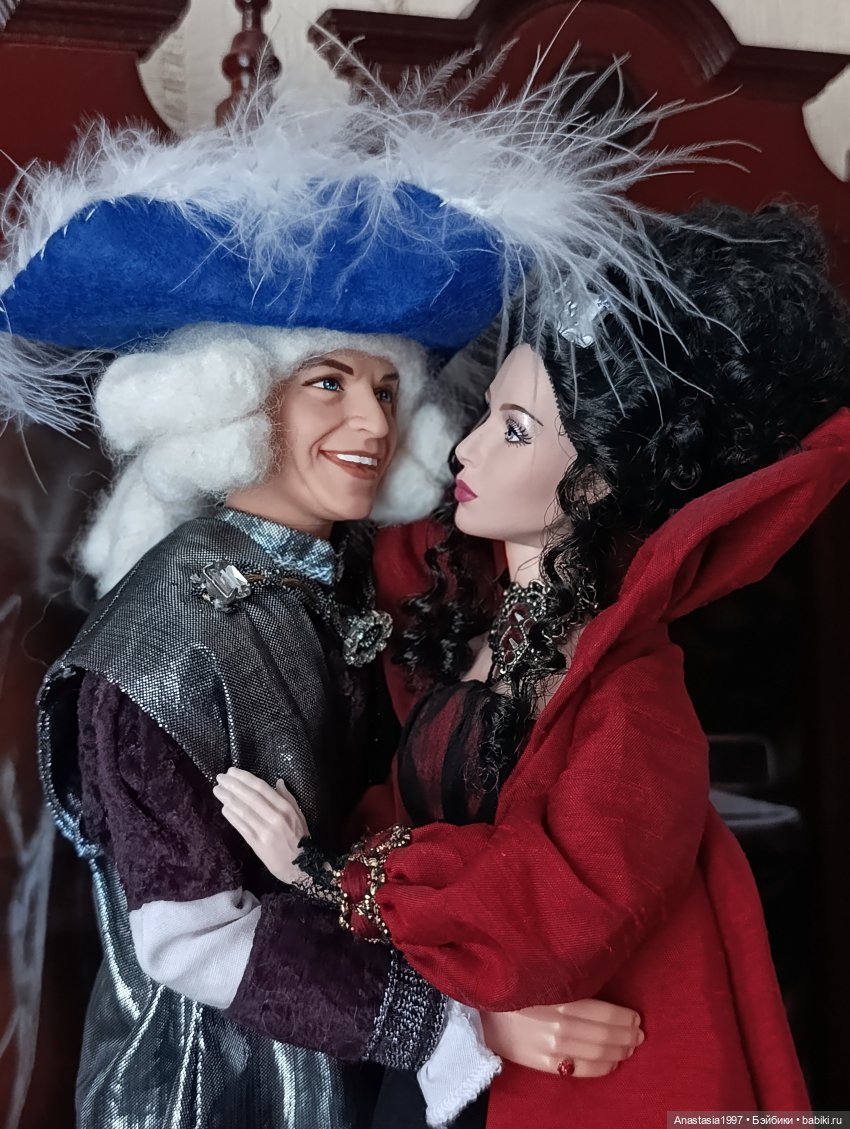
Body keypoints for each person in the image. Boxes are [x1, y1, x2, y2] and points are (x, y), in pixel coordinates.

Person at [0, 54, 689, 1129]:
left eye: (385, 386)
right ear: (229, 398)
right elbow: (191, 941)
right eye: (327, 382)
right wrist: (467, 1023)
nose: (371, 423)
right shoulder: (159, 639)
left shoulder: (372, 582)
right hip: (221, 1091)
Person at [215, 200, 850, 1129]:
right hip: (445, 1051)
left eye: (514, 430)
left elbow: (551, 914)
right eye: (486, 414)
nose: (466, 446)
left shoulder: (632, 702)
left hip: (565, 1084)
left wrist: (325, 869)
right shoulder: (458, 616)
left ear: (592, 481)